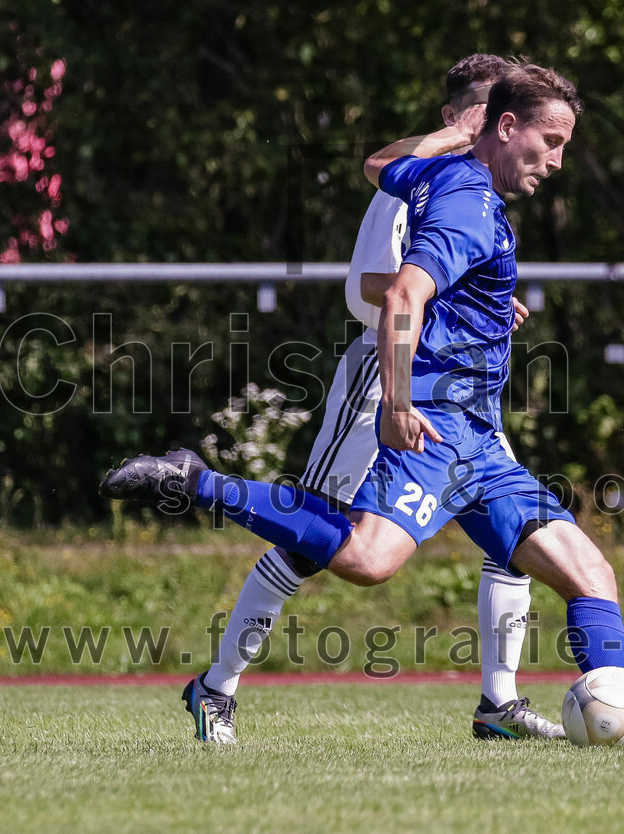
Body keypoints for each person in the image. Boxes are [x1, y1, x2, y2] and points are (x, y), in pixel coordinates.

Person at [101, 60, 624, 748]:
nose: (557, 162)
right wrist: (398, 402)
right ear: (506, 125)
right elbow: (399, 294)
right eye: (550, 142)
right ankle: (197, 484)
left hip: (478, 437)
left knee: (589, 571)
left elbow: (377, 164)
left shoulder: (444, 177)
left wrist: (447, 168)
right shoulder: (469, 203)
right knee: (365, 559)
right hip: (431, 422)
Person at [174, 55, 562, 745]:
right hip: (385, 384)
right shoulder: (412, 184)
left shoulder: (478, 191)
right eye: (480, 112)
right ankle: (215, 689)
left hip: (460, 400)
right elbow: (366, 290)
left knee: (519, 531)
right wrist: (443, 298)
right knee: (317, 541)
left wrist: (491, 301)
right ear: (455, 120)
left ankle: (497, 705)